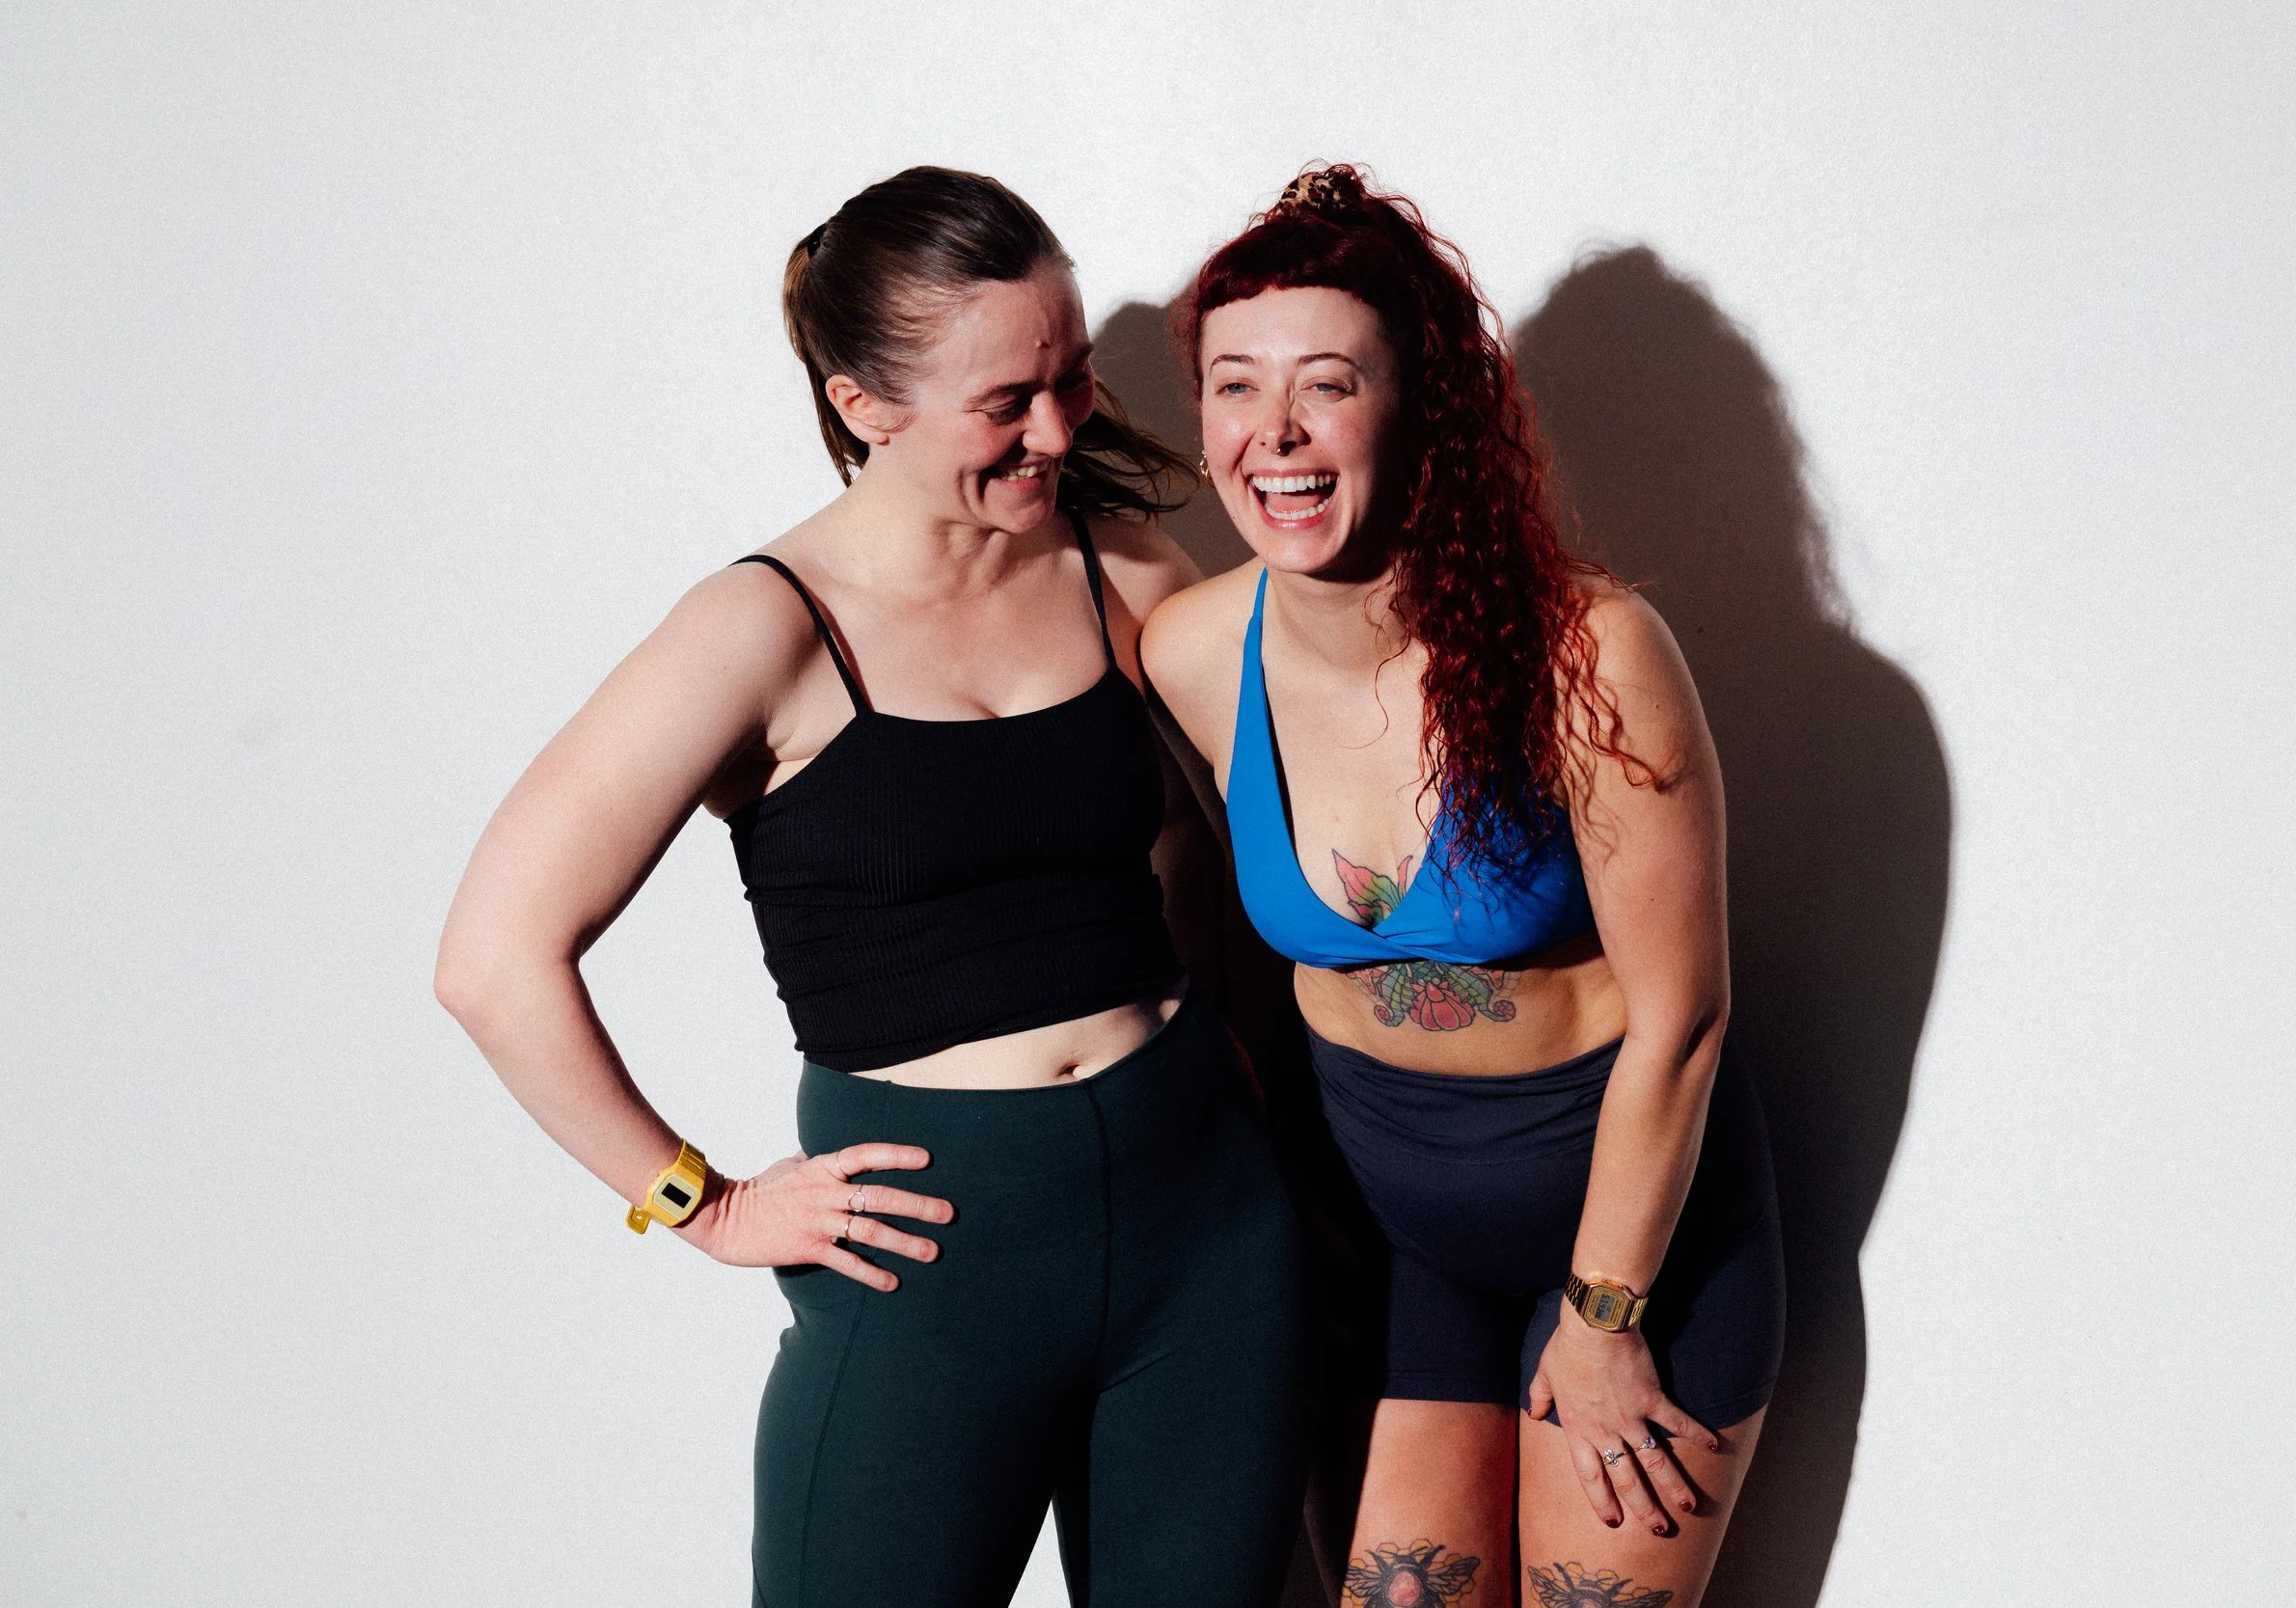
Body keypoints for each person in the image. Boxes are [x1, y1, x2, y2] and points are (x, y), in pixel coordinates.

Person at [435, 166, 1316, 1608]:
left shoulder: (1123, 566)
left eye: (1074, 378)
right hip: (929, 1259)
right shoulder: (759, 630)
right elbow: (493, 953)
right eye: (1007, 402)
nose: (1058, 430)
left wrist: (1233, 1035)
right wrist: (705, 1203)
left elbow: (1262, 825)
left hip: (1206, 1229)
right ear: (862, 406)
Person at [1142, 166, 1785, 1608]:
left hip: (1641, 1249)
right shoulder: (1188, 653)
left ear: (1420, 405)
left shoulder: (1588, 655)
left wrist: (1607, 1316)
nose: (1276, 435)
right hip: (1398, 1245)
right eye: (1235, 386)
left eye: (1327, 384)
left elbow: (1684, 1015)